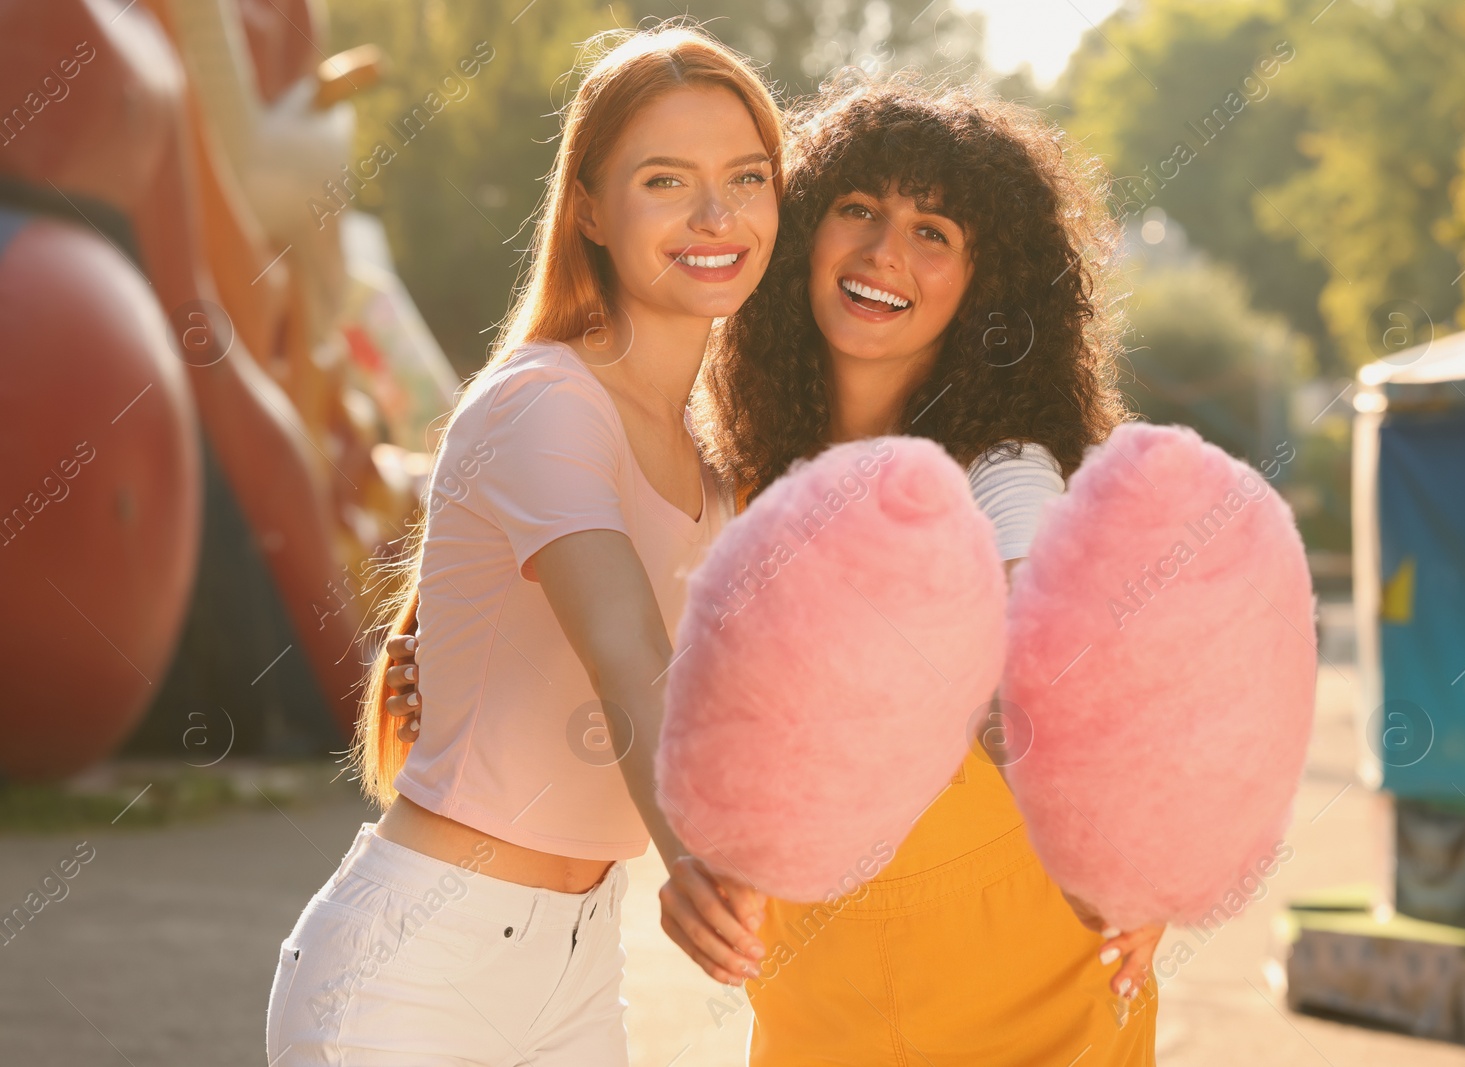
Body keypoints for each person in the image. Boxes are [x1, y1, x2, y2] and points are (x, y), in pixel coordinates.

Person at [390, 76, 1163, 1064]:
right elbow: (642, 658)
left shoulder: (1003, 470)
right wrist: (462, 668)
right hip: (818, 993)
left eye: (935, 231)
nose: (886, 251)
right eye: (859, 209)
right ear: (802, 231)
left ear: (986, 281)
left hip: (1018, 978)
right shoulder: (733, 478)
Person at [264, 26, 780, 1066]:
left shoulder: (717, 458)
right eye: (666, 180)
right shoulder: (546, 403)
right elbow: (624, 646)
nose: (716, 215)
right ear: (587, 206)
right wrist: (692, 855)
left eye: (747, 177)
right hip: (413, 969)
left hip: (581, 964)